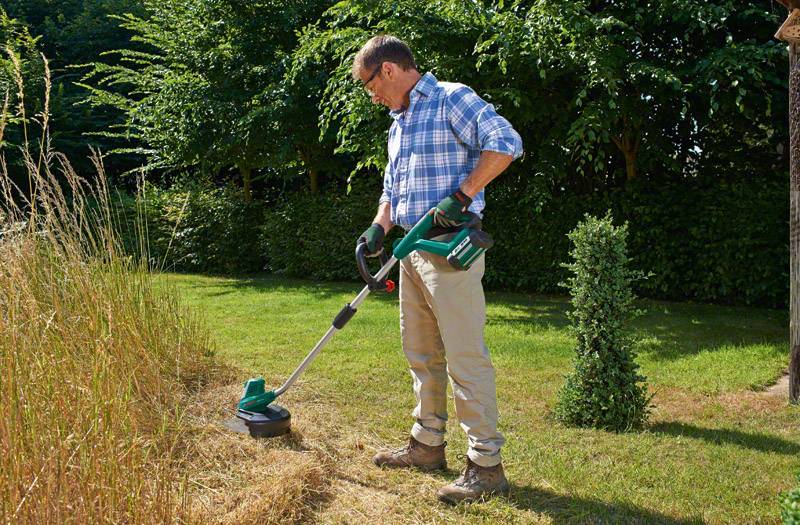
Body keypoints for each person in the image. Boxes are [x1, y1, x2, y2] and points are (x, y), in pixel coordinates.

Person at [352, 35, 523, 505]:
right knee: (421, 353)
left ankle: (486, 465)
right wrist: (377, 229)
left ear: (387, 70)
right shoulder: (398, 122)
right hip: (410, 246)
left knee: (465, 358)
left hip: (449, 246)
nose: (372, 96)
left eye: (369, 85)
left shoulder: (451, 97)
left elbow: (506, 142)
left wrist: (463, 194)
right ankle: (427, 445)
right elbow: (393, 189)